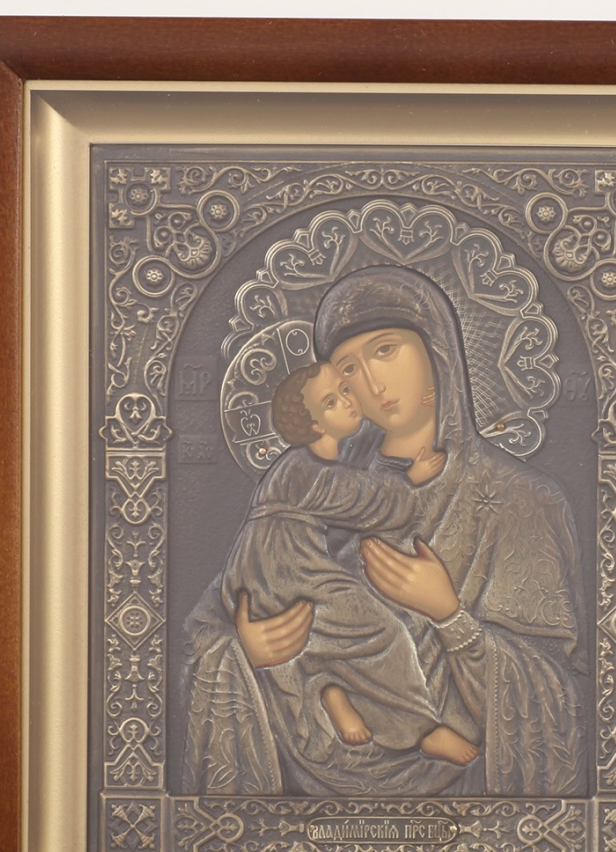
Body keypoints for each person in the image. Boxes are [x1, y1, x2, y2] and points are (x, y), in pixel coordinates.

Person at [183, 266, 587, 798]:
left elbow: (557, 695)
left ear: (437, 353)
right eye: (348, 367)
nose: (372, 383)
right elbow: (206, 633)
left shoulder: (522, 499)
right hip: (304, 779)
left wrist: (448, 615)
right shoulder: (319, 481)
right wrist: (247, 653)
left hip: (463, 807)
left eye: (386, 351)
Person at [220, 359, 478, 767]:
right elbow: (368, 500)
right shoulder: (303, 470)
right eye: (331, 401)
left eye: (344, 389)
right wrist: (410, 482)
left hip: (273, 569)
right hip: (286, 572)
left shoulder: (307, 466)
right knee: (384, 631)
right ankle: (422, 730)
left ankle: (332, 692)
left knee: (330, 638)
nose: (348, 399)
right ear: (315, 425)